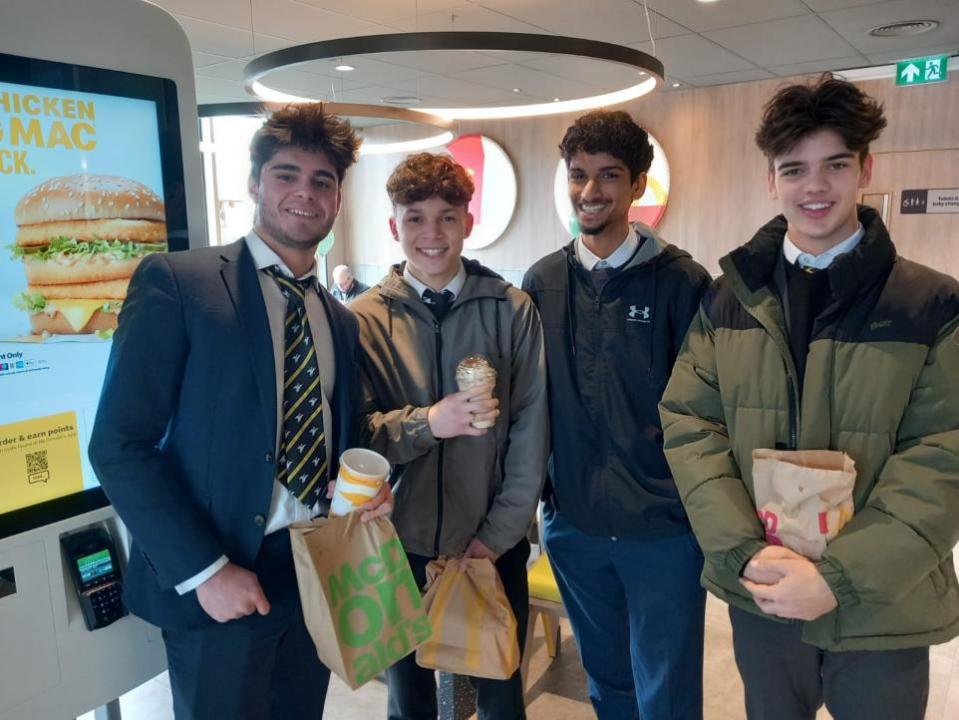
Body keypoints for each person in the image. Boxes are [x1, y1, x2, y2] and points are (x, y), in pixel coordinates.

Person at [660, 74, 959, 720]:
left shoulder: (930, 305)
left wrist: (838, 577)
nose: (813, 187)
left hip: (884, 602)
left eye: (834, 165)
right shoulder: (726, 298)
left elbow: (943, 453)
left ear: (864, 169)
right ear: (770, 180)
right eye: (793, 169)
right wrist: (743, 551)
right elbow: (689, 424)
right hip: (761, 591)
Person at [88, 104, 393, 720]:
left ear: (337, 198)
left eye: (322, 181)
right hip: (220, 576)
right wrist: (204, 571)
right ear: (254, 184)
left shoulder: (338, 316)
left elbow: (342, 432)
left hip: (312, 568)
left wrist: (371, 490)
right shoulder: (180, 282)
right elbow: (120, 445)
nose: (304, 193)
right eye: (286, 175)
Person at [522, 110, 711, 720]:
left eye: (608, 175)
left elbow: (707, 411)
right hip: (574, 523)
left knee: (667, 687)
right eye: (578, 175)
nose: (590, 191)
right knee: (605, 681)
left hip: (661, 529)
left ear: (637, 185)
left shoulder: (682, 282)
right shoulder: (543, 281)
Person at [351, 152, 549, 720]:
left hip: (490, 543)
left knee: (499, 693)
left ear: (468, 221)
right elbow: (358, 437)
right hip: (399, 545)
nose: (431, 234)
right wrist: (427, 423)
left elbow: (531, 433)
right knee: (408, 699)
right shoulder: (363, 319)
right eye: (415, 218)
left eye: (447, 216)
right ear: (394, 226)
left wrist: (500, 533)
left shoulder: (512, 310)